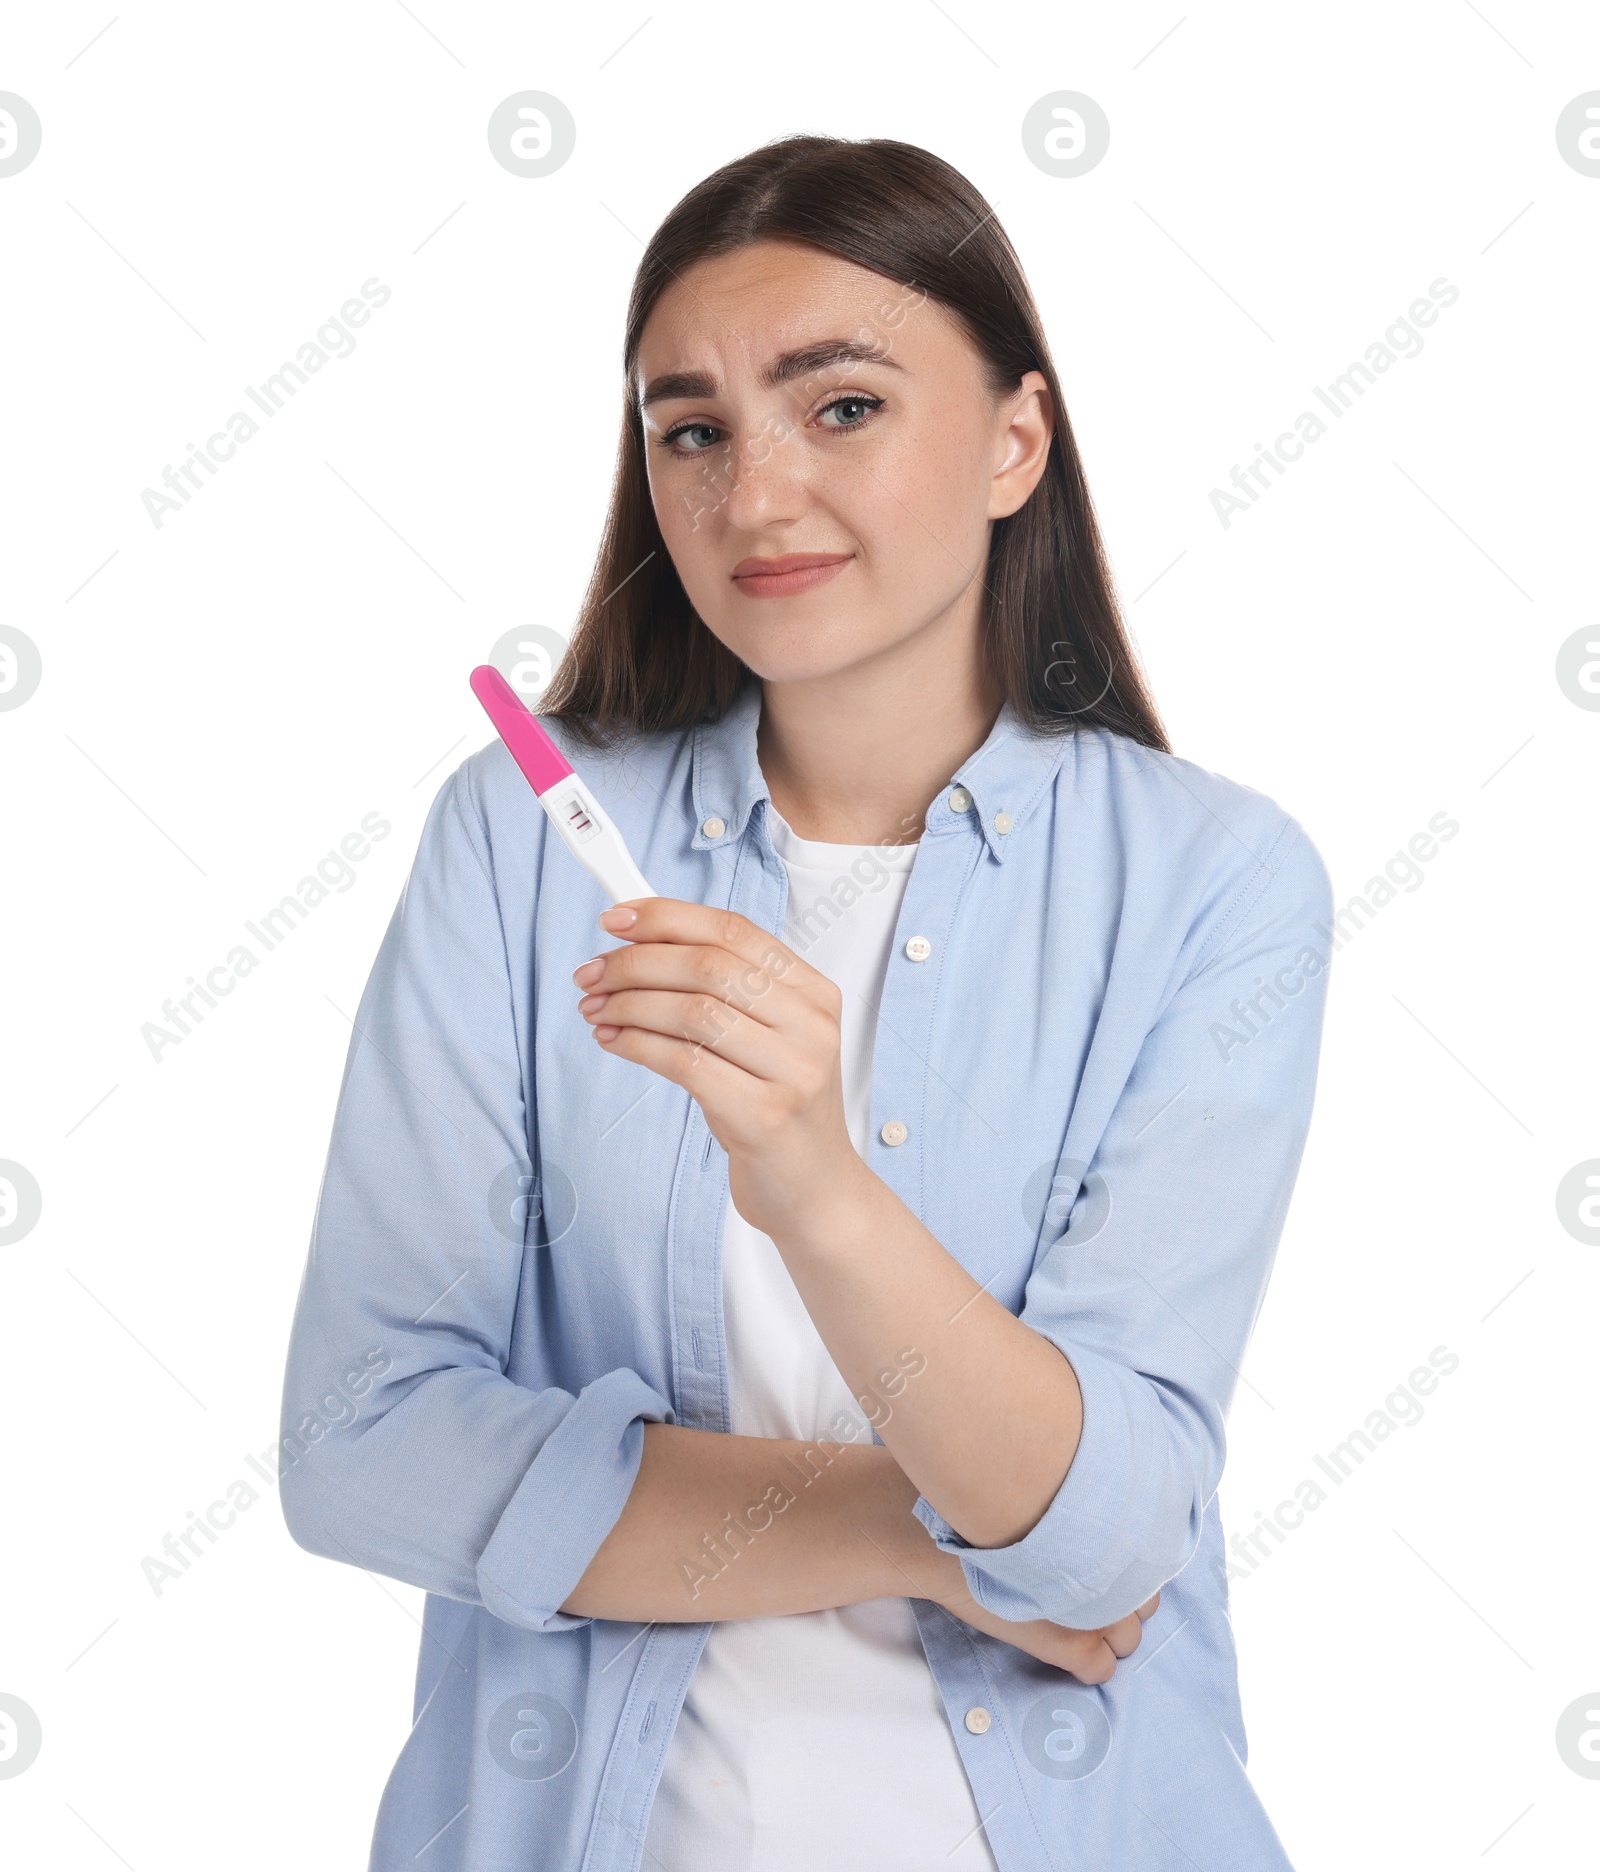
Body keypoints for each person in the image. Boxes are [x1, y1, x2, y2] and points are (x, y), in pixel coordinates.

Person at [279, 133, 1333, 1872]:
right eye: (691, 429)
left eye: (839, 406)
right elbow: (365, 1448)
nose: (753, 496)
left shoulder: (1215, 884)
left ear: (1016, 441)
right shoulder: (528, 840)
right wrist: (931, 1532)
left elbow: (1111, 1532)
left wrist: (813, 1179)